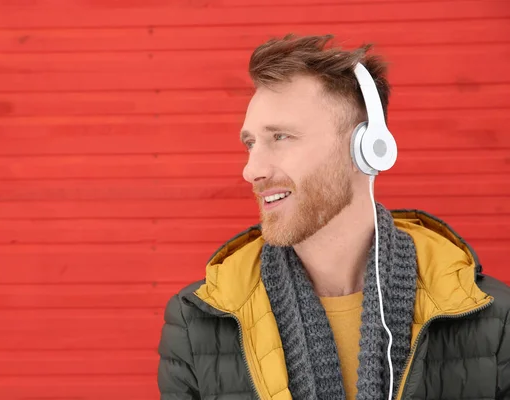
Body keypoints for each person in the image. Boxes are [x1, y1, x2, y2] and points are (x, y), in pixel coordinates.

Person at [156, 33, 510, 400]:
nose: (251, 170)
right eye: (250, 143)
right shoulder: (197, 323)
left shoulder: (492, 319)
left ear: (366, 150)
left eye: (280, 137)